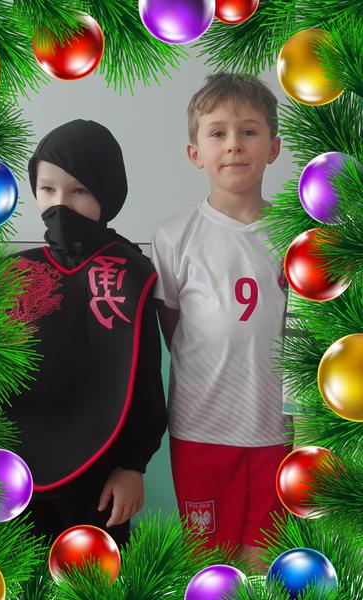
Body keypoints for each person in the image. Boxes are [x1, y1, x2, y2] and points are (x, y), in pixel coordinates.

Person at [151, 73, 292, 569]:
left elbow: (301, 332)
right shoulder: (174, 235)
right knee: (208, 563)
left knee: (262, 562)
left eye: (248, 131)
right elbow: (173, 323)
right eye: (218, 133)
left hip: (275, 430)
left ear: (273, 148)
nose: (234, 144)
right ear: (195, 153)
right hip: (201, 429)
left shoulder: (295, 236)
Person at [7, 119, 166, 548]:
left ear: (106, 192)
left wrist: (133, 466)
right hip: (17, 473)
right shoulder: (16, 272)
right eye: (47, 189)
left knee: (95, 574)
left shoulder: (128, 273)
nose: (60, 205)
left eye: (78, 191)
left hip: (100, 479)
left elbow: (144, 380)